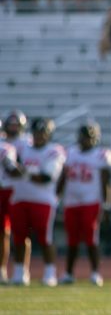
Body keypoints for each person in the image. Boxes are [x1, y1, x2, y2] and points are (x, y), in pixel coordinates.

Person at [4, 118, 65, 286]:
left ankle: (49, 272)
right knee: (19, 237)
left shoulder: (54, 151)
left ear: (49, 135)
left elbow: (46, 177)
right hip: (20, 197)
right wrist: (24, 171)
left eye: (42, 133)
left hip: (43, 200)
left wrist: (24, 171)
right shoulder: (22, 147)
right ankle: (19, 272)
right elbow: (10, 168)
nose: (38, 136)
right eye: (36, 133)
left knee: (45, 238)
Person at [57, 122, 111, 286]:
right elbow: (63, 176)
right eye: (82, 137)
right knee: (72, 240)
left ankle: (95, 273)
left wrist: (106, 203)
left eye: (88, 137)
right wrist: (57, 196)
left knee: (91, 239)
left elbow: (105, 182)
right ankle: (68, 273)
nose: (84, 140)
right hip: (72, 201)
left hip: (91, 201)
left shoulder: (101, 155)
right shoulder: (71, 153)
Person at [0, 119, 18, 285]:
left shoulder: (6, 148)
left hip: (5, 191)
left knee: (4, 233)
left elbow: (12, 170)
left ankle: (1, 269)